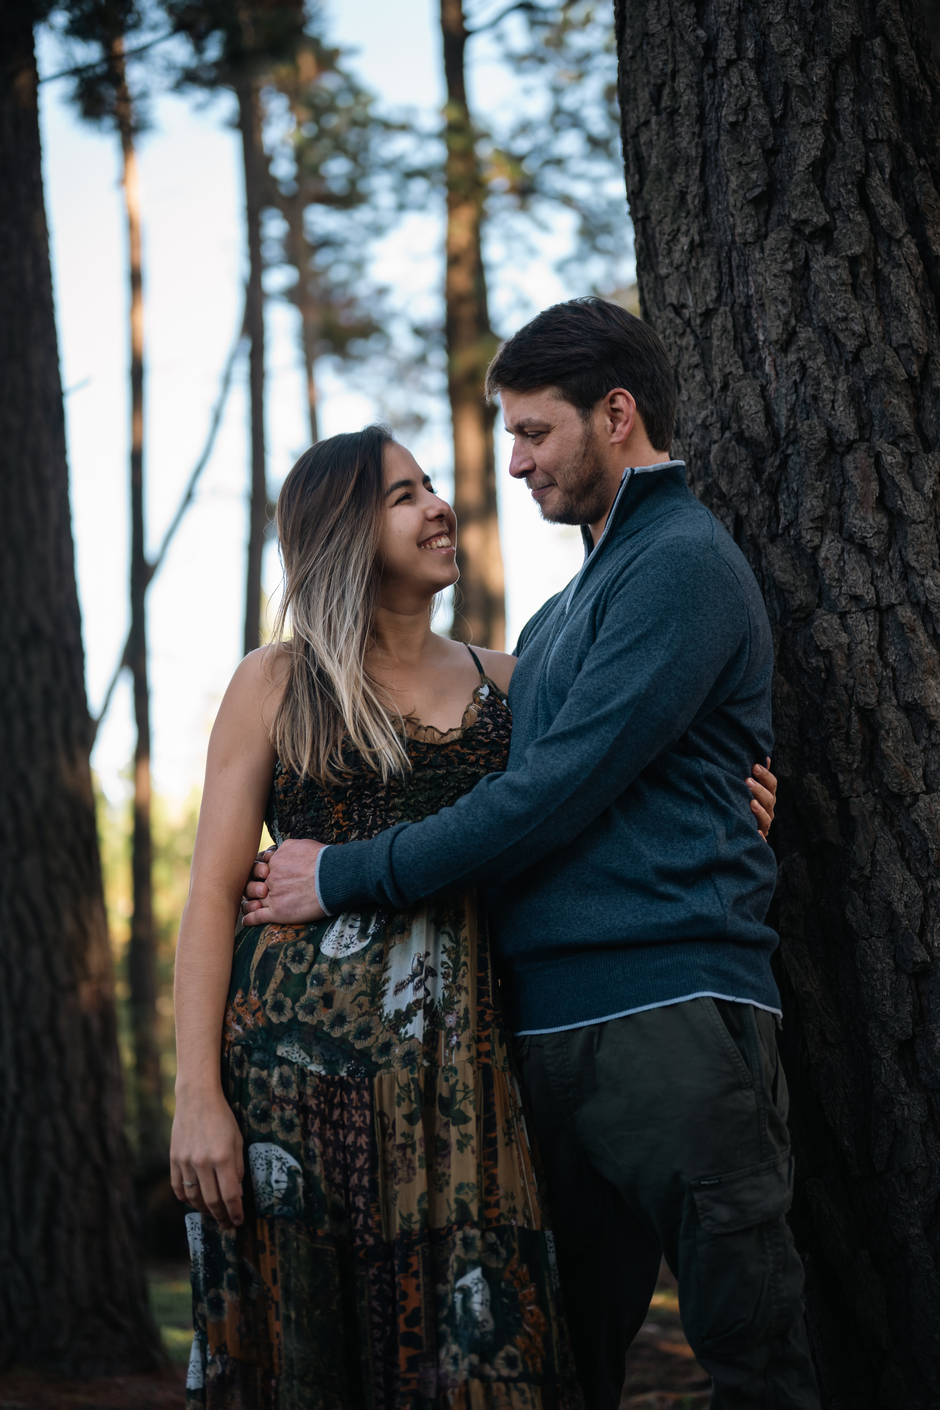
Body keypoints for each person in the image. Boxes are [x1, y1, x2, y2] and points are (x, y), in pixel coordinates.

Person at [241, 298, 821, 1410]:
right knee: (555, 1365)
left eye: (534, 432)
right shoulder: (559, 620)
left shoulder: (681, 564)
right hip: (536, 1033)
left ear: (616, 414)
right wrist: (718, 800)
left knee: (751, 1346)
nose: (512, 465)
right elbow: (527, 782)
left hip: (669, 1009)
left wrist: (343, 873)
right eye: (509, 436)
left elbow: (548, 793)